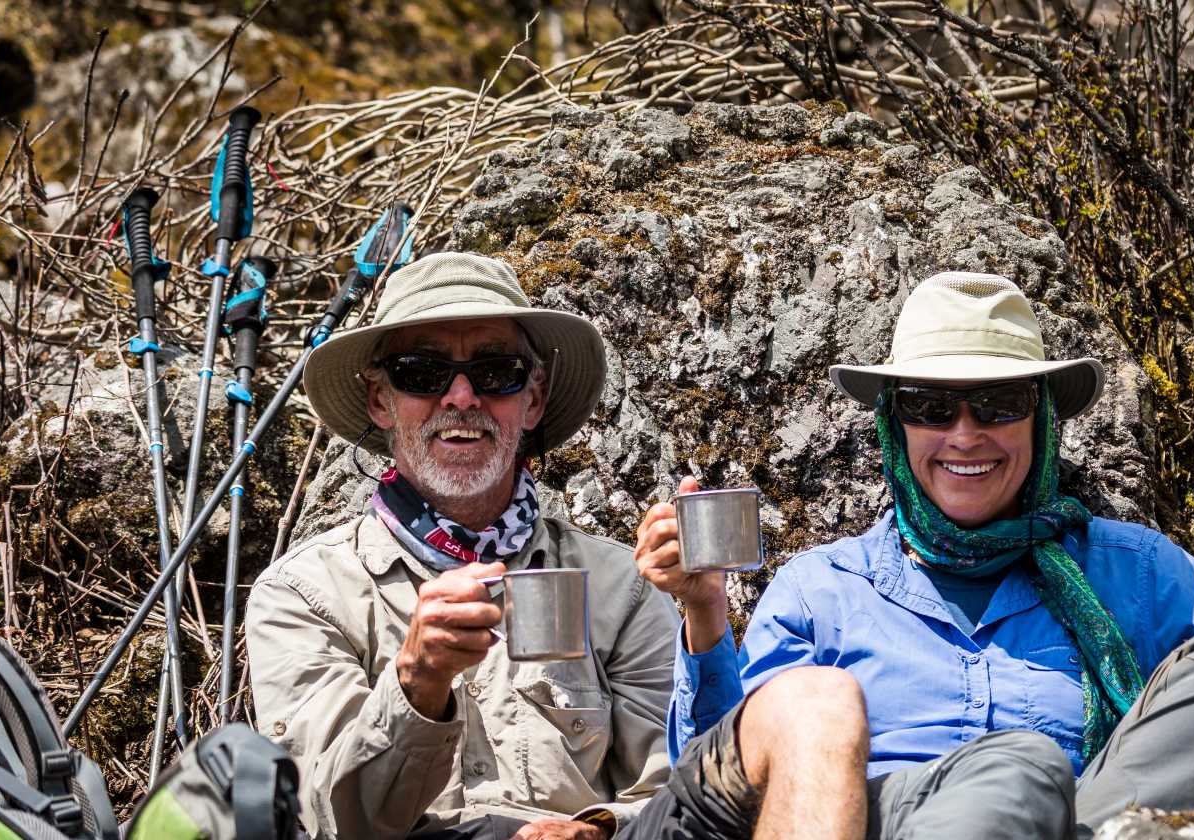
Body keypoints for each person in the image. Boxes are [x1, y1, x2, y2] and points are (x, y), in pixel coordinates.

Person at [637, 272, 1194, 839]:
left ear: (1041, 423)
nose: (965, 434)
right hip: (877, 821)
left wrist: (1160, 709)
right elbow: (726, 782)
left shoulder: (1127, 570)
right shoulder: (821, 588)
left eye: (997, 404)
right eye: (931, 406)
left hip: (1085, 817)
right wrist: (704, 613)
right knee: (1019, 768)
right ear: (894, 427)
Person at [249, 253, 868, 840]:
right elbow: (331, 819)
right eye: (423, 373)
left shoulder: (621, 586)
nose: (461, 397)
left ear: (534, 398)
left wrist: (597, 826)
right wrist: (416, 681)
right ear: (380, 401)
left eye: (496, 373)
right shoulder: (303, 593)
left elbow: (681, 788)